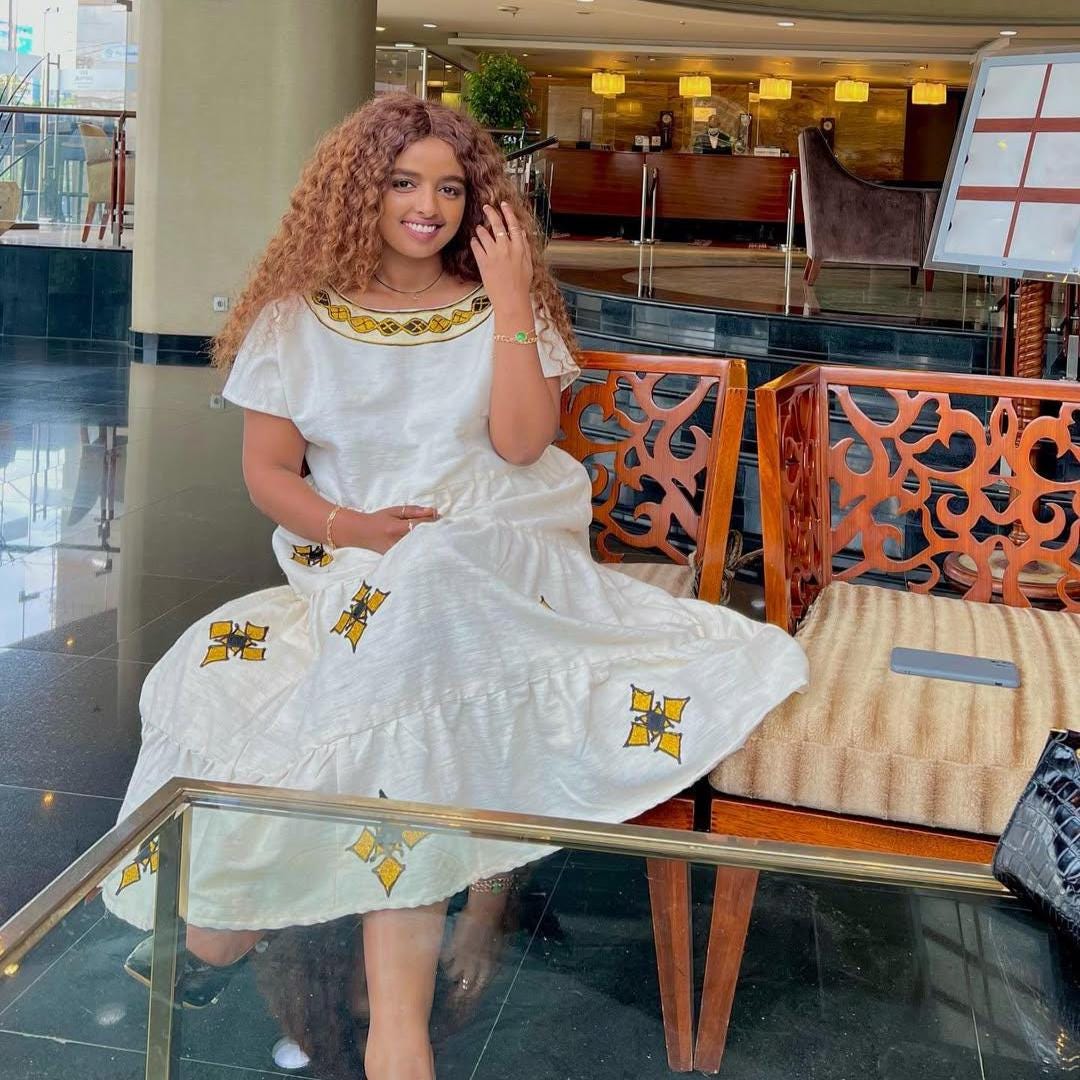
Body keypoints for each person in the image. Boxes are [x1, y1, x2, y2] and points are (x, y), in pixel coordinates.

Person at [103, 92, 807, 1079]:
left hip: (500, 542)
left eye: (449, 188)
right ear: (359, 191)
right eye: (403, 182)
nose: (426, 207)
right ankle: (384, 1020)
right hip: (357, 560)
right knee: (227, 665)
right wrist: (359, 530)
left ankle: (259, 945)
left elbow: (521, 446)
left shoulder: (504, 307)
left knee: (426, 588)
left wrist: (513, 299)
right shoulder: (293, 318)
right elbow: (269, 475)